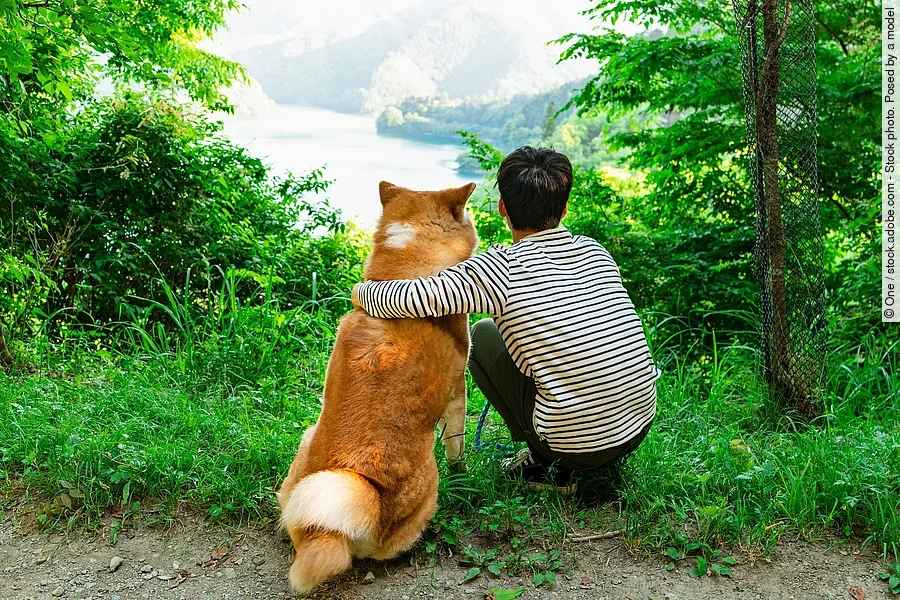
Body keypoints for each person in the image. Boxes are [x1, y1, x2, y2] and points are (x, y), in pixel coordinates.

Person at [351, 146, 660, 494]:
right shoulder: (594, 250)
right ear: (564, 208)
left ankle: (545, 466)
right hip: (637, 427)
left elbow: (401, 299)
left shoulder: (499, 270)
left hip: (573, 447)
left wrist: (360, 291)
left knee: (483, 333)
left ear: (502, 208)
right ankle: (588, 454)